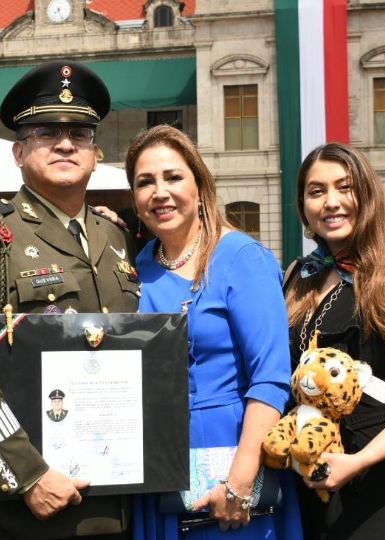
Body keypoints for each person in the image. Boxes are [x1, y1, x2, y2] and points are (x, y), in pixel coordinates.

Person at [0, 60, 138, 540]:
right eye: (46, 132)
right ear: (18, 152)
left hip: (117, 505)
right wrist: (27, 474)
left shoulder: (117, 237)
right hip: (20, 513)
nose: (65, 143)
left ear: (96, 151)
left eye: (80, 133)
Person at [125, 125, 302, 539]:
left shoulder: (242, 258)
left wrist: (240, 483)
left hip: (232, 457)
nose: (160, 192)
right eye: (144, 182)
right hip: (159, 465)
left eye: (173, 177)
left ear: (200, 184)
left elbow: (271, 378)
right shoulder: (139, 266)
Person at [284, 142, 385, 540]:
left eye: (345, 187)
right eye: (316, 191)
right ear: (303, 205)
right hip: (302, 478)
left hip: (376, 481)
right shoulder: (296, 276)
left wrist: (358, 461)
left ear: (367, 195)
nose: (331, 202)